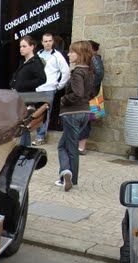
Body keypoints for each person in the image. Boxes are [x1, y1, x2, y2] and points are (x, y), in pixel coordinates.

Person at [56, 40, 94, 192]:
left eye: (72, 52)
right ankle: (68, 177)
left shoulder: (78, 72)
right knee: (67, 145)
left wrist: (63, 99)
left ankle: (67, 173)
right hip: (84, 112)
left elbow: (78, 93)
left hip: (73, 113)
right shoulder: (89, 72)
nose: (69, 54)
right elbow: (90, 93)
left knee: (66, 147)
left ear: (80, 55)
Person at [33, 33, 71, 145]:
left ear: (53, 42)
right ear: (42, 42)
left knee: (45, 113)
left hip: (49, 88)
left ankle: (40, 136)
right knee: (36, 112)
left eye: (50, 41)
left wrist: (59, 85)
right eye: (45, 41)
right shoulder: (38, 54)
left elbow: (66, 71)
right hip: (37, 88)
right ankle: (37, 133)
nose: (48, 43)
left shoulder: (57, 55)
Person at [9, 35, 46, 147]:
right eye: (20, 46)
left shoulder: (35, 62)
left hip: (27, 97)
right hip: (20, 97)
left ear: (32, 47)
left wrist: (23, 85)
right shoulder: (25, 62)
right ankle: (24, 147)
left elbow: (42, 79)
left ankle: (24, 148)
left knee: (24, 125)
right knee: (22, 125)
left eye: (24, 46)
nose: (21, 48)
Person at [78, 40, 104, 155]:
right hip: (85, 95)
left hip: (88, 96)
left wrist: (89, 91)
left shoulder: (94, 59)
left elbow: (98, 75)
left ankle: (81, 147)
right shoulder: (90, 60)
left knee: (85, 120)